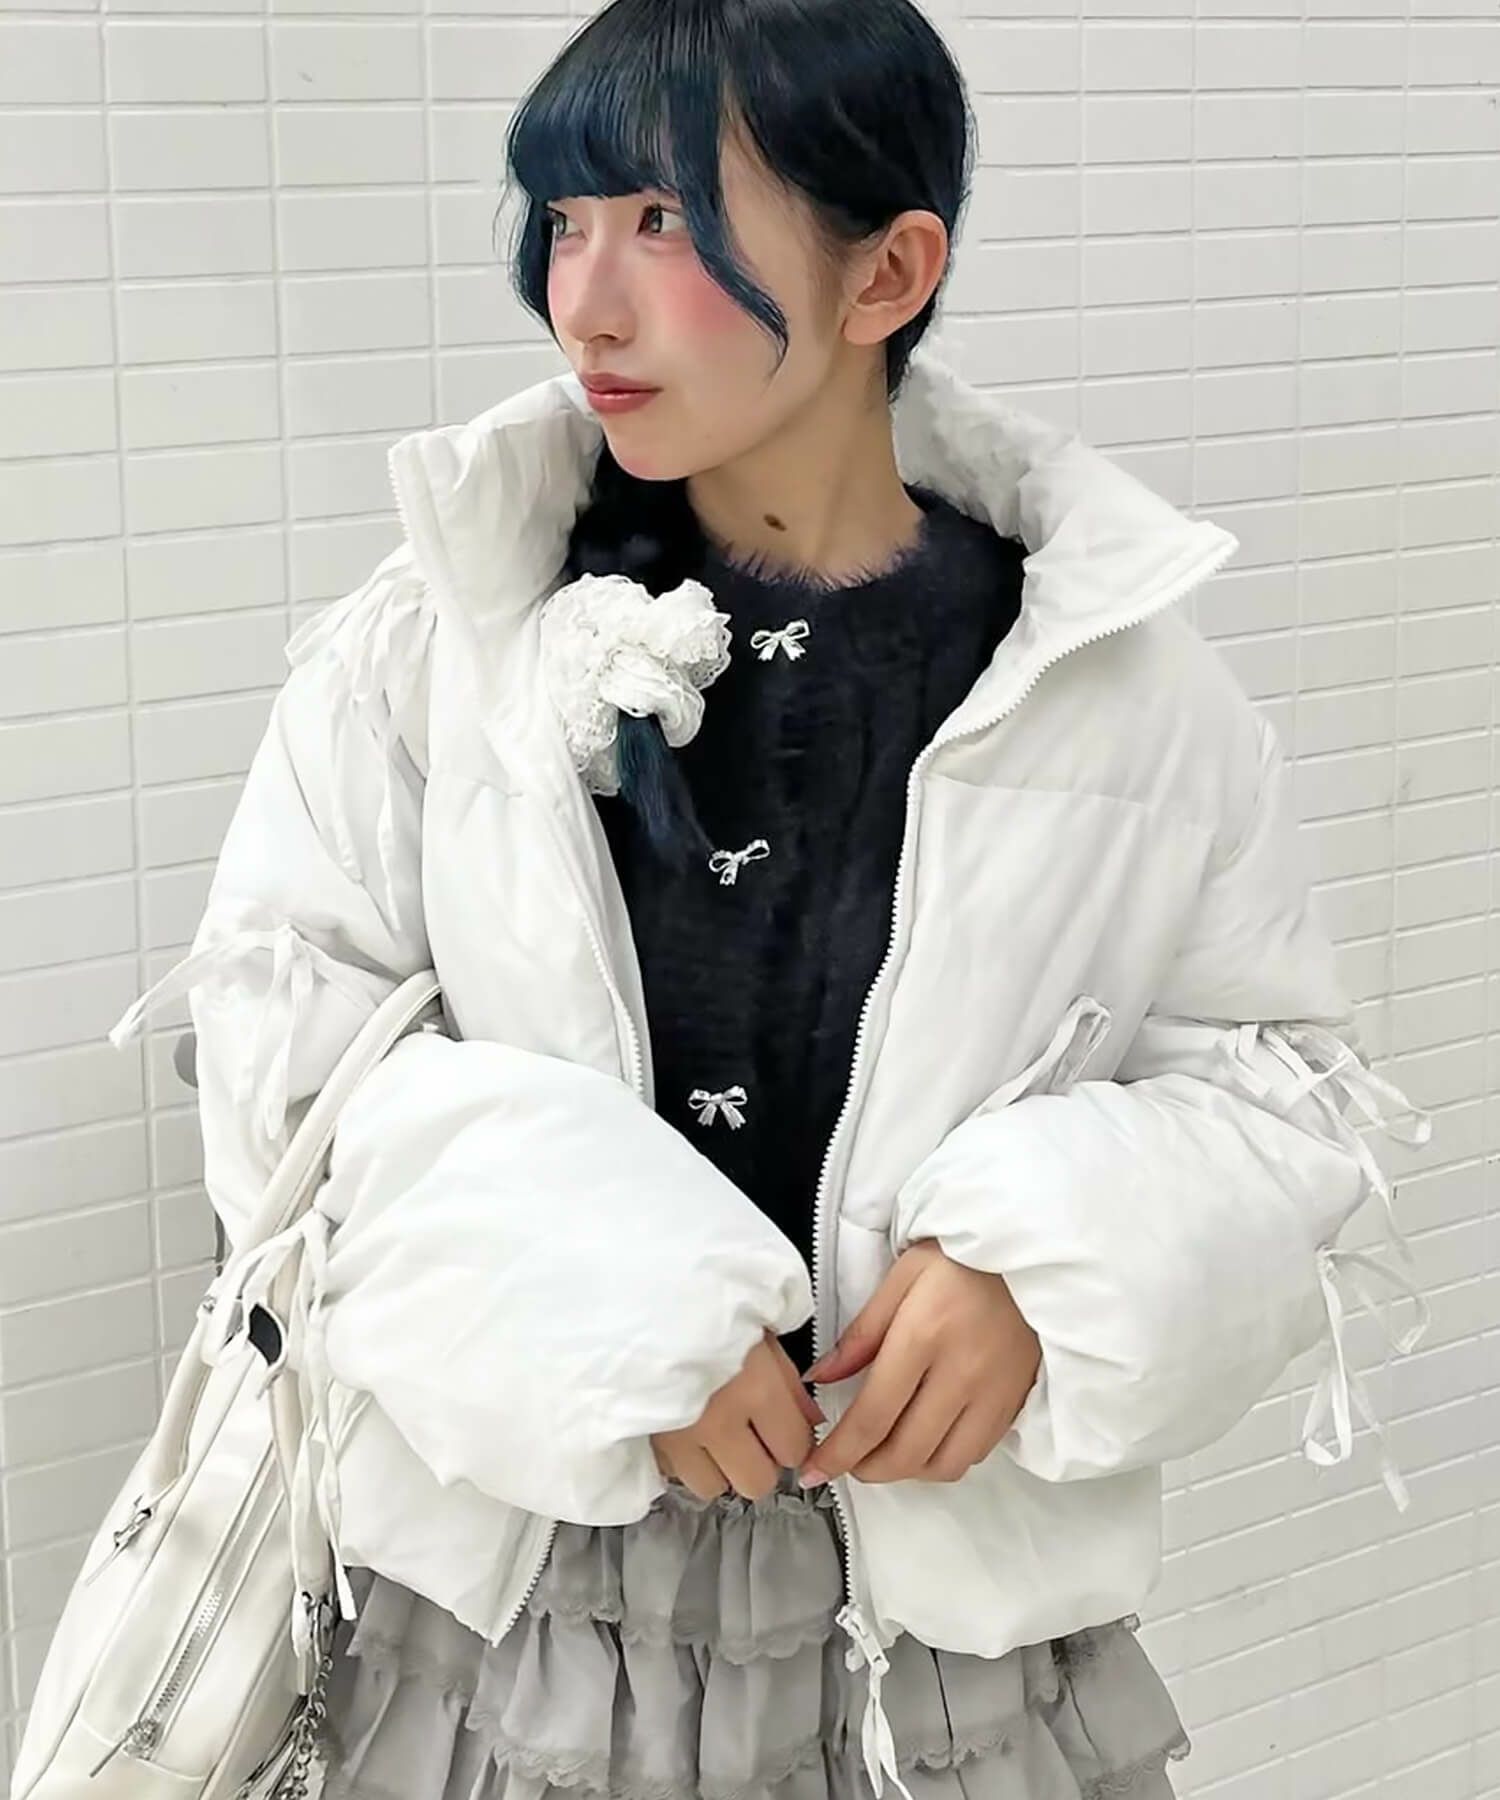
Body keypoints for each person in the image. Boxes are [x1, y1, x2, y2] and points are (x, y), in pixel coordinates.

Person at [108, 1, 1433, 1796]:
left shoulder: (1118, 685)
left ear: (889, 272)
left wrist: (1050, 1263)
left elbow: (1281, 1092)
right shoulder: (431, 651)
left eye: (664, 221)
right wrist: (588, 1278)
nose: (584, 302)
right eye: (565, 223)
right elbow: (283, 1071)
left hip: (945, 1662)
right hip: (514, 1640)